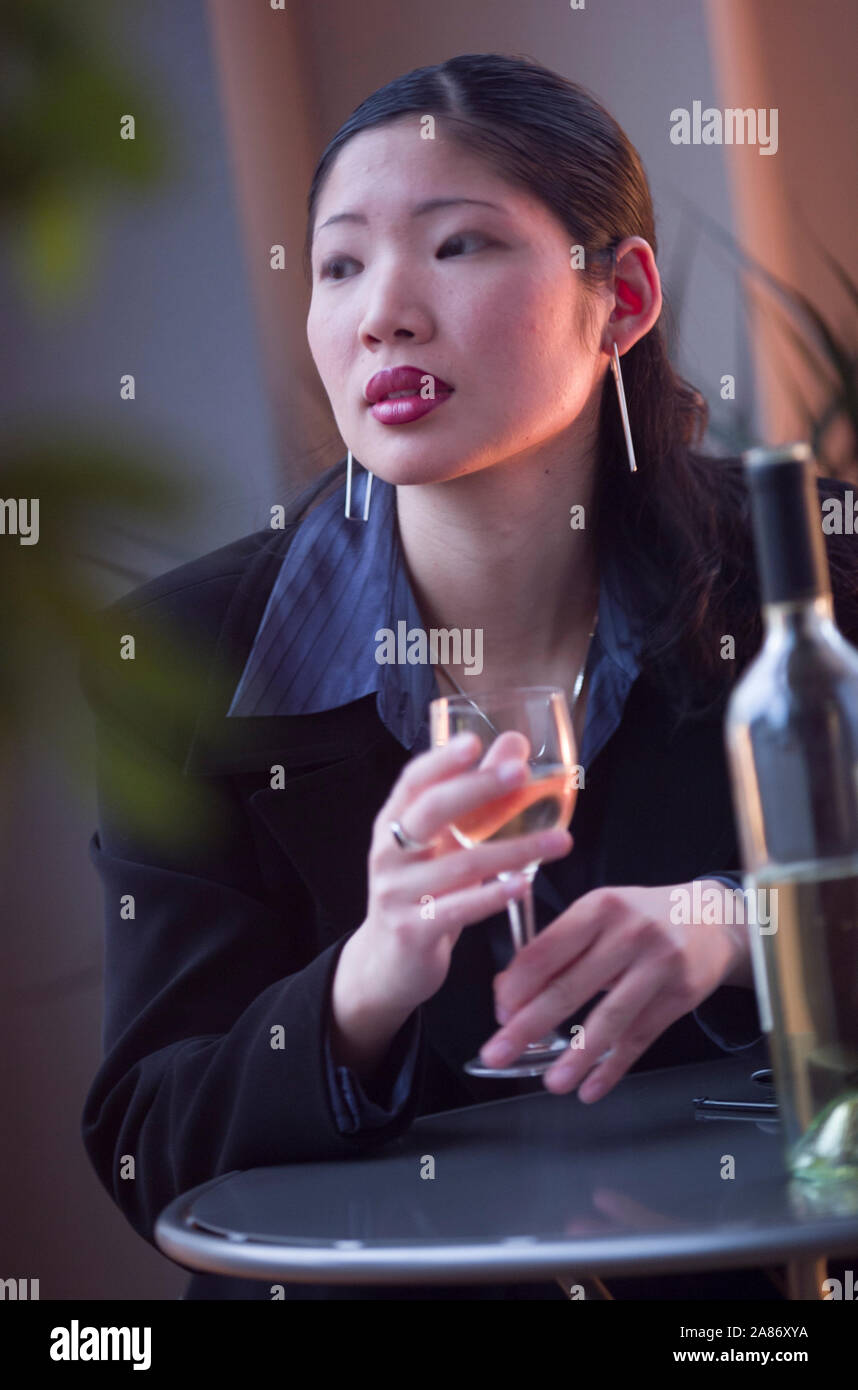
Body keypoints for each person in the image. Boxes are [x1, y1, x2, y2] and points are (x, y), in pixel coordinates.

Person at [79, 53, 858, 1301]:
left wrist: (747, 923)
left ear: (624, 297)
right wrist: (366, 978)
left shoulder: (817, 573)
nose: (383, 309)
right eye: (339, 264)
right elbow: (148, 1143)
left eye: (458, 246)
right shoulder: (182, 656)